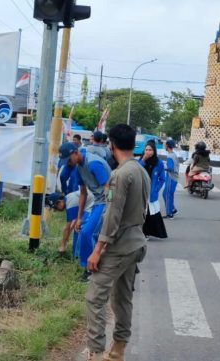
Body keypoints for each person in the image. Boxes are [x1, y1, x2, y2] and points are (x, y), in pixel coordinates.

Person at [85, 124, 149, 361]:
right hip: (136, 243)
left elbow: (112, 215)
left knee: (95, 297)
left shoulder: (120, 175)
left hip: (120, 245)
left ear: (111, 145)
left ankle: (96, 351)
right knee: (122, 298)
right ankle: (117, 351)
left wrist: (98, 249)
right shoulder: (140, 170)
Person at [59, 142, 111, 281]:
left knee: (89, 233)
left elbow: (108, 187)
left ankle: (94, 271)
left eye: (68, 159)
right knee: (83, 230)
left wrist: (110, 206)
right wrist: (79, 217)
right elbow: (83, 193)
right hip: (97, 201)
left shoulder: (93, 164)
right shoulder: (78, 168)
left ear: (75, 153)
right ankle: (88, 268)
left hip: (106, 201)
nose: (68, 163)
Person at [46, 190, 94, 259]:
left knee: (80, 229)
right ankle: (76, 255)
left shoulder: (70, 203)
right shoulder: (68, 198)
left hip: (93, 204)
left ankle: (83, 257)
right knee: (77, 227)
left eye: (55, 208)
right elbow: (74, 220)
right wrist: (67, 236)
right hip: (89, 204)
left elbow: (67, 228)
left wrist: (62, 245)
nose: (56, 210)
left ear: (59, 202)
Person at [139, 142, 167, 238]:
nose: (148, 152)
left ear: (154, 151)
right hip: (141, 191)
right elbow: (136, 170)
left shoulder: (158, 163)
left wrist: (156, 189)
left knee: (151, 213)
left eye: (150, 150)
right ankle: (140, 233)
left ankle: (147, 233)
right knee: (140, 212)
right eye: (146, 150)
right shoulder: (141, 161)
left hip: (151, 193)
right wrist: (143, 159)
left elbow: (162, 179)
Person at [163, 140, 179, 219]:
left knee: (167, 195)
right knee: (168, 194)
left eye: (165, 145)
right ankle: (172, 209)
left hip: (171, 177)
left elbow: (170, 168)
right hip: (174, 178)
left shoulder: (170, 156)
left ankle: (170, 214)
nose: (164, 146)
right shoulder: (173, 154)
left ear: (167, 146)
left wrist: (163, 166)